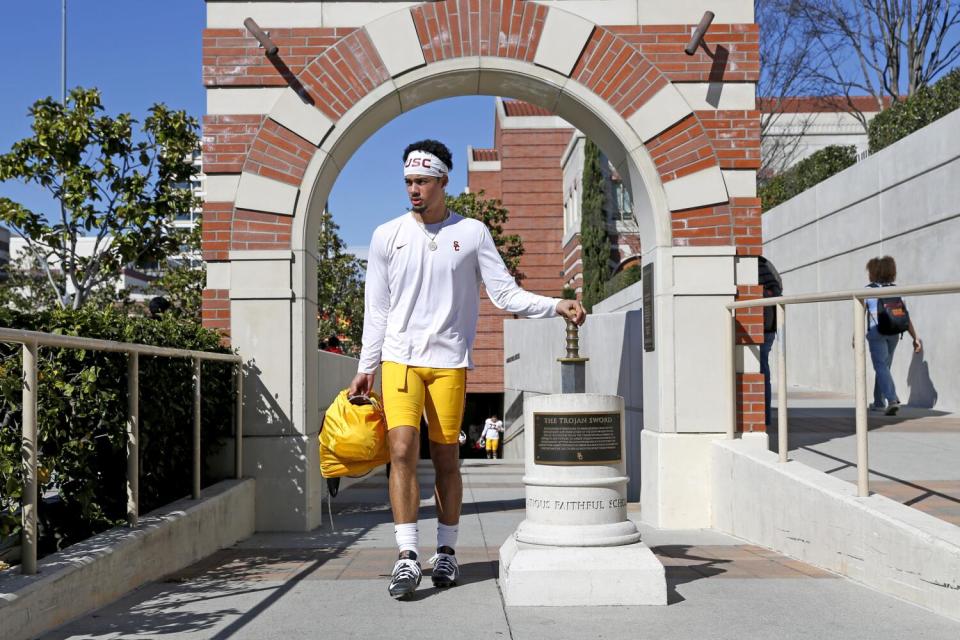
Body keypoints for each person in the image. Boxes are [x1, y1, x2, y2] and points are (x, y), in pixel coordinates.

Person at [347, 139, 586, 600]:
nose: (413, 189)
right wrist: (366, 366)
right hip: (399, 358)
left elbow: (504, 295)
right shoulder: (386, 236)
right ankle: (406, 558)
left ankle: (448, 551)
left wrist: (555, 304)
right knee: (400, 449)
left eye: (421, 181)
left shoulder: (472, 233)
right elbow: (375, 310)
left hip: (449, 362)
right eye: (408, 182)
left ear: (442, 181)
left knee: (445, 459)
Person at [864, 256, 922, 416]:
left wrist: (855, 336)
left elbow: (859, 314)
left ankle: (892, 399)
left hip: (876, 332)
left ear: (874, 272)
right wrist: (915, 337)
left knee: (881, 366)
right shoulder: (897, 290)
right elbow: (905, 316)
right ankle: (878, 402)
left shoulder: (867, 290)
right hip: (894, 333)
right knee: (884, 367)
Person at [758, 256, 783, 426]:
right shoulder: (768, 265)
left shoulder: (750, 265)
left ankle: (762, 417)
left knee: (759, 370)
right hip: (770, 325)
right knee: (764, 369)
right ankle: (765, 416)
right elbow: (779, 289)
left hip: (759, 325)